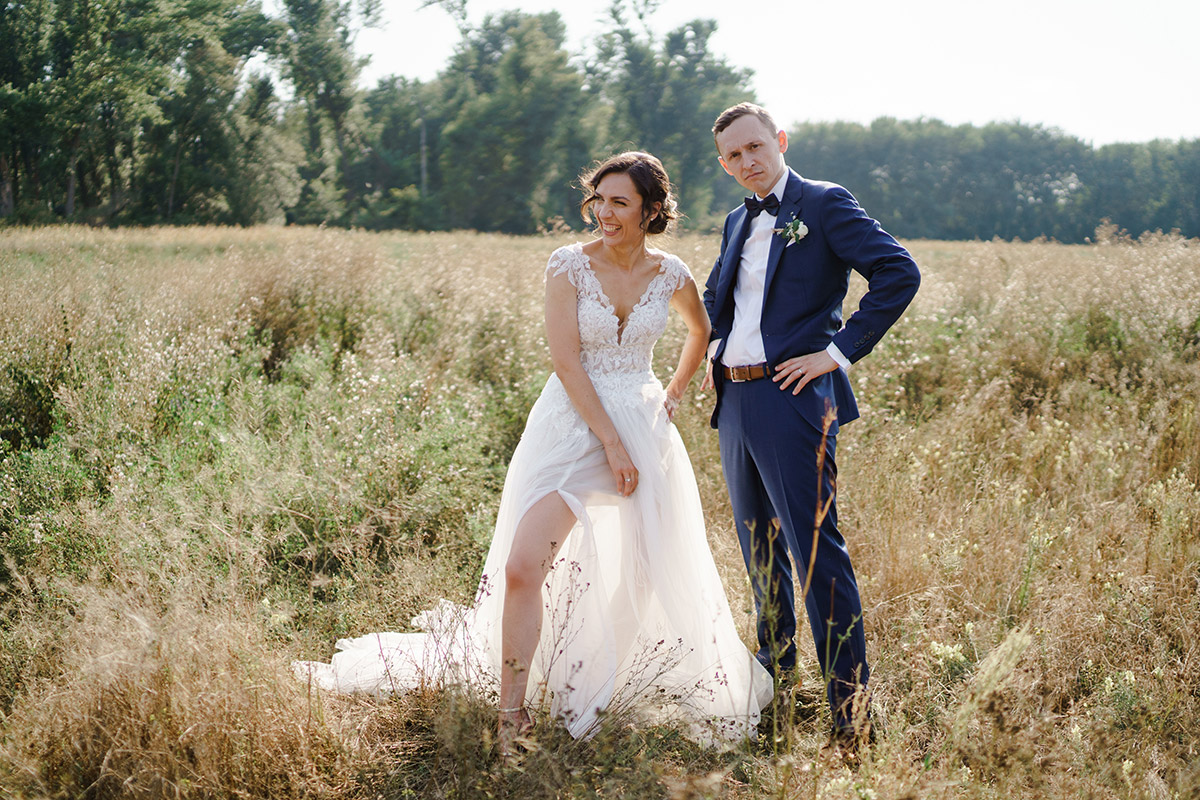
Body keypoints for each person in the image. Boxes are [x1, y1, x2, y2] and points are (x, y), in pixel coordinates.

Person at [297, 151, 772, 754]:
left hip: (644, 427)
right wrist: (610, 441)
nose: (604, 212)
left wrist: (672, 394)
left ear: (652, 210)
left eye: (619, 202)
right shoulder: (568, 266)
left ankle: (606, 679)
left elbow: (700, 332)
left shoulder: (671, 273)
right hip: (573, 426)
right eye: (598, 199)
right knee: (524, 566)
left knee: (650, 568)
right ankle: (511, 714)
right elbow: (568, 362)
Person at [701, 103, 920, 747]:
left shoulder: (823, 204)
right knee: (759, 556)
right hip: (735, 406)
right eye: (734, 156)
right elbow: (722, 303)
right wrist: (713, 354)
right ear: (724, 165)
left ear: (780, 141)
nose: (747, 162)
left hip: (794, 400)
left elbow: (897, 271)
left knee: (817, 556)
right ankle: (775, 696)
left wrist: (836, 353)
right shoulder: (735, 220)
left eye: (755, 147)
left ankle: (852, 717)